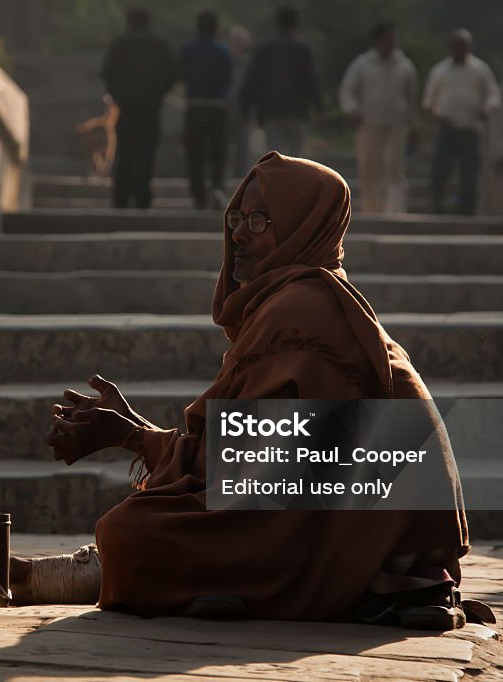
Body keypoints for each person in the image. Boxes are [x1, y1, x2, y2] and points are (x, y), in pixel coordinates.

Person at [28, 153, 477, 629]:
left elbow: (232, 467)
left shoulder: (300, 310)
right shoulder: (312, 298)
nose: (240, 234)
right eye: (237, 217)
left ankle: (262, 587)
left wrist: (131, 437)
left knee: (128, 532)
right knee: (151, 525)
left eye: (260, 220)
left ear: (305, 227)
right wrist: (133, 431)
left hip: (370, 538)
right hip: (361, 521)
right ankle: (234, 585)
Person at [101, 9, 178, 209]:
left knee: (124, 152)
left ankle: (121, 197)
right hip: (150, 108)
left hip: (125, 108)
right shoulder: (158, 45)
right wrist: (158, 93)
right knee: (146, 152)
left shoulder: (120, 45)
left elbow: (107, 75)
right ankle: (142, 196)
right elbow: (173, 73)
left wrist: (118, 96)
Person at [339, 22, 418, 213]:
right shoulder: (362, 64)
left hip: (397, 124)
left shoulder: (405, 66)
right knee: (369, 168)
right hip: (369, 123)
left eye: (394, 40)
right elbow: (347, 91)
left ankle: (395, 212)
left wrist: (414, 126)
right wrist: (352, 109)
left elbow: (412, 98)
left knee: (395, 167)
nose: (392, 43)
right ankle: (372, 210)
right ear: (378, 40)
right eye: (388, 39)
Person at [423, 29, 501, 215]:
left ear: (469, 47)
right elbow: (428, 101)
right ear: (450, 47)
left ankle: (467, 210)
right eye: (457, 46)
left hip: (471, 129)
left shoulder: (480, 69)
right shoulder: (439, 71)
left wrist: (487, 108)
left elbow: (493, 95)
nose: (460, 50)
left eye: (464, 46)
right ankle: (437, 205)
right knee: (440, 169)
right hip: (447, 129)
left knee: (470, 173)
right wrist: (436, 115)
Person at [240, 5, 323, 158]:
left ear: (276, 23)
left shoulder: (264, 47)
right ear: (296, 23)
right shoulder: (303, 47)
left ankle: (277, 182)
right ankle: (294, 182)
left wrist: (245, 109)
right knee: (296, 156)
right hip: (298, 110)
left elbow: (252, 79)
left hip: (270, 110)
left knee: (274, 156)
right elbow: (312, 79)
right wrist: (319, 109)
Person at [179, 10, 233, 210]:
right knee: (218, 151)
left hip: (195, 106)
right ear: (216, 28)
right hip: (217, 107)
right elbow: (228, 78)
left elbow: (182, 75)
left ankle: (198, 195)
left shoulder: (188, 49)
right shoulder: (223, 51)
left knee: (195, 152)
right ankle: (217, 188)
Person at [226, 25, 253, 177]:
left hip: (244, 109)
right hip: (227, 107)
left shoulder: (248, 64)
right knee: (227, 145)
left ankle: (241, 177)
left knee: (243, 146)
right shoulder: (225, 61)